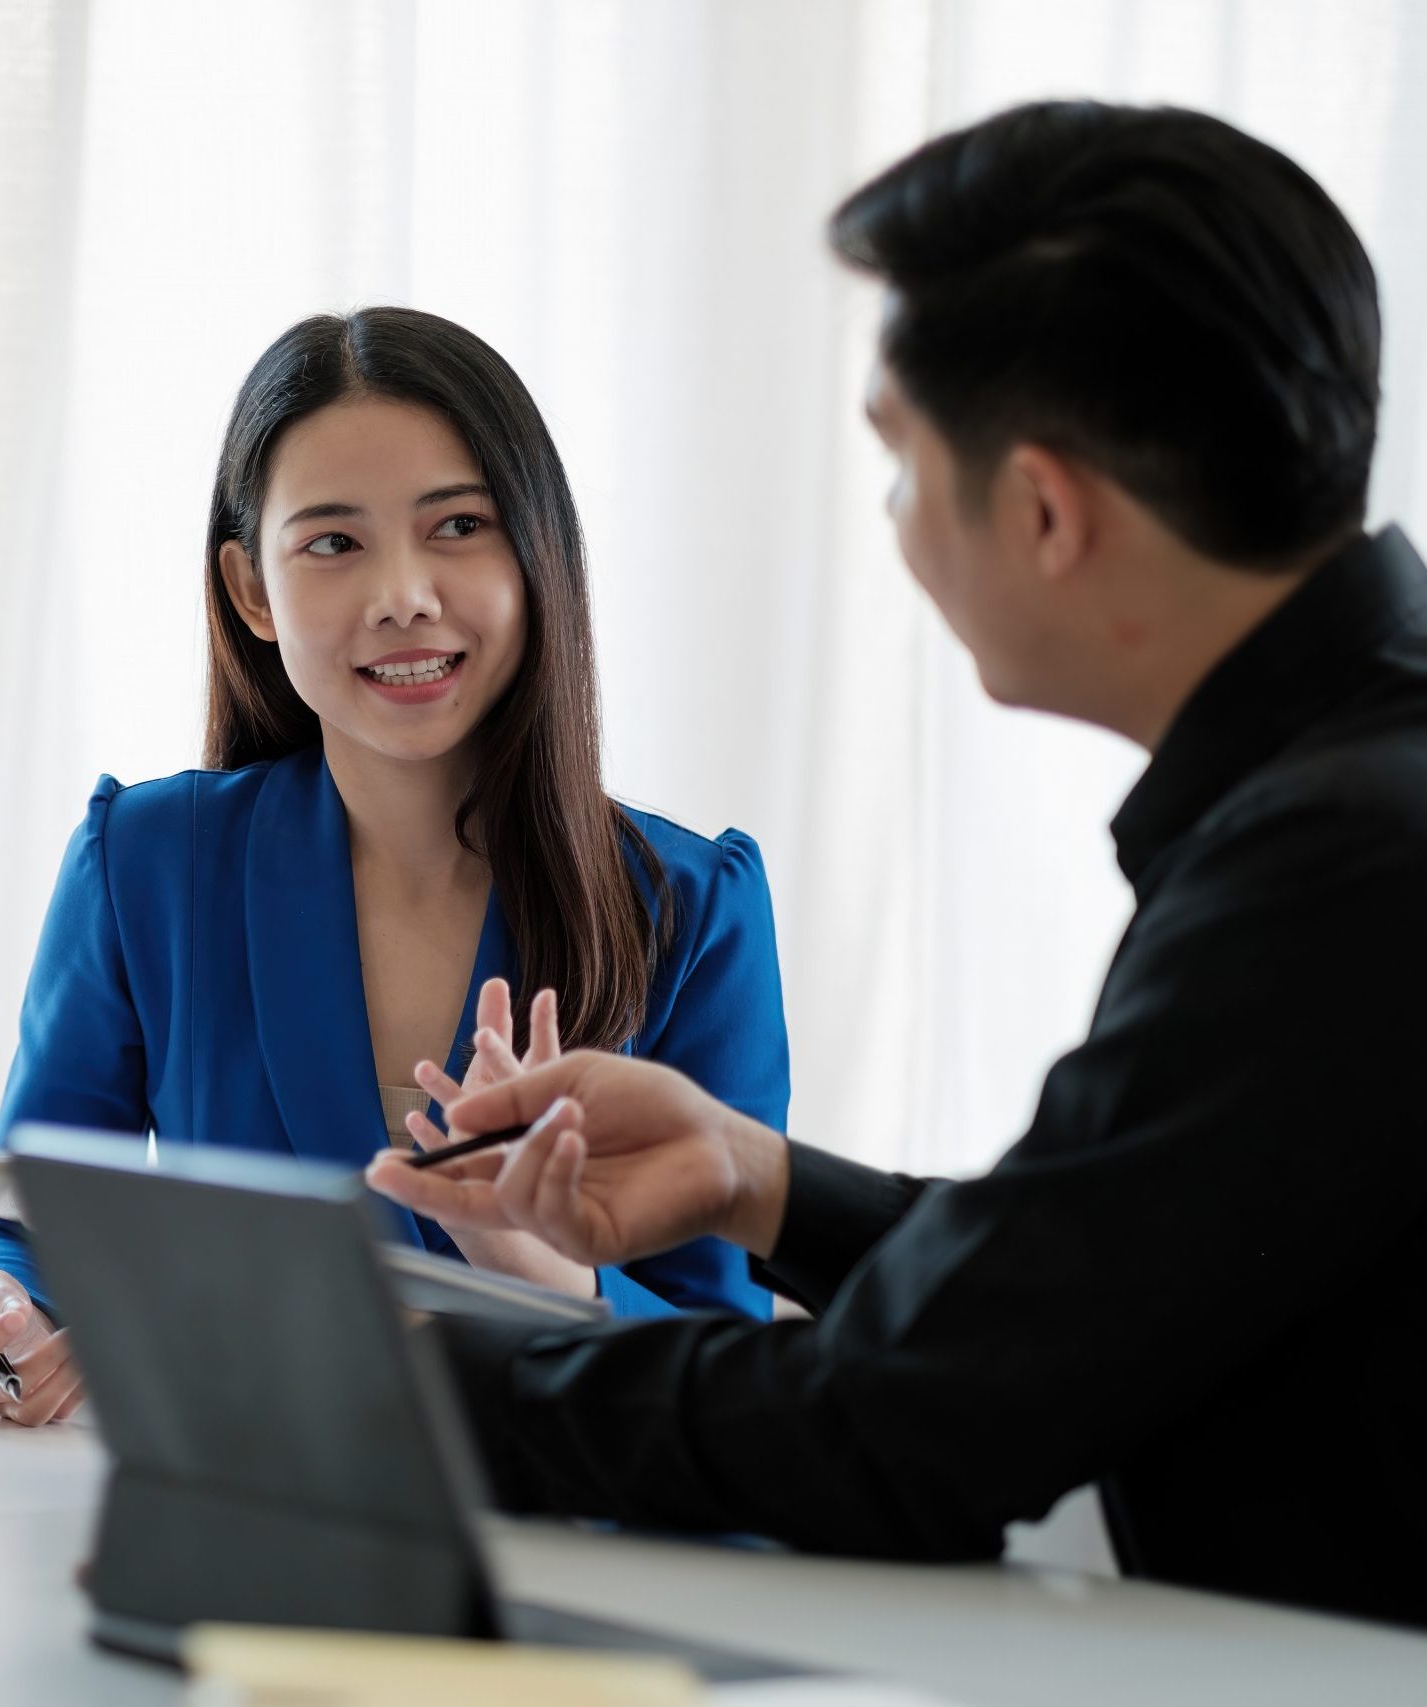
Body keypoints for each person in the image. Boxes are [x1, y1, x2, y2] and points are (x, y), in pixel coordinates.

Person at [367, 100, 1427, 1630]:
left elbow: (911, 1423)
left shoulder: (1331, 865)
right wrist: (754, 1177)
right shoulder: (1356, 795)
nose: (897, 529)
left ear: (1044, 508)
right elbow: (1101, 1267)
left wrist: (391, 1374)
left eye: (898, 465)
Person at [0, 307, 791, 1424]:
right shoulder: (145, 865)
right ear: (250, 591)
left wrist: (534, 1264)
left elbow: (729, 1366)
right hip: (248, 1509)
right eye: (333, 542)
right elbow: (21, 1217)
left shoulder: (690, 906)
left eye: (456, 525)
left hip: (557, 1530)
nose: (401, 595)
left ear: (535, 552)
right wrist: (3, 1306)